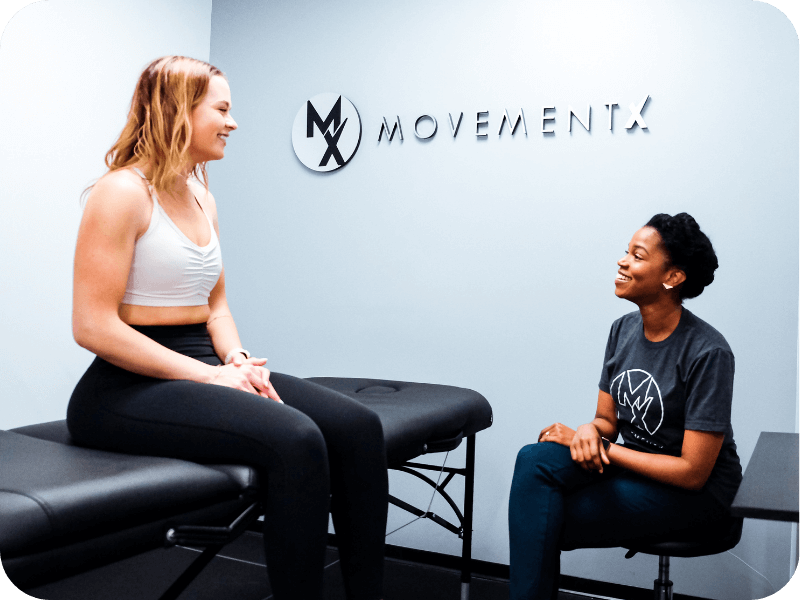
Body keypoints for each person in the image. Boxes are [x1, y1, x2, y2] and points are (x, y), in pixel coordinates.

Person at [67, 56, 387, 600]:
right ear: (177, 111)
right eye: (221, 108)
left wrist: (236, 359)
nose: (233, 122)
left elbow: (214, 305)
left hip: (202, 363)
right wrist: (211, 378)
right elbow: (92, 326)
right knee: (297, 439)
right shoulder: (121, 193)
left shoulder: (200, 196)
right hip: (124, 387)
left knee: (359, 428)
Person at [508, 213, 743, 600]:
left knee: (545, 517)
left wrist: (605, 450)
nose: (622, 261)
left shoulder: (709, 351)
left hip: (699, 495)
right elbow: (606, 420)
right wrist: (588, 432)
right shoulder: (622, 331)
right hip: (637, 468)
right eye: (625, 253)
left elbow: (692, 473)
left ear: (673, 277)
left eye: (637, 255)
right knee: (535, 459)